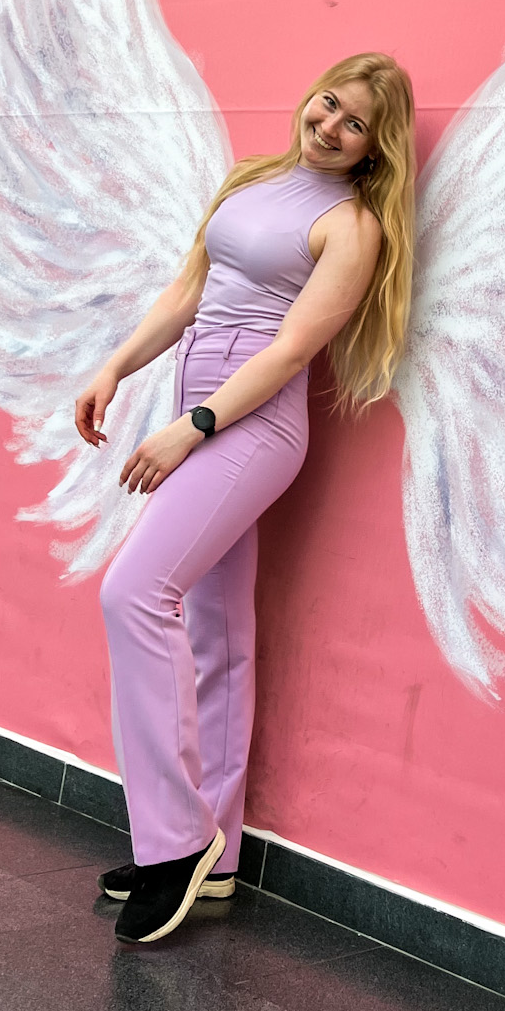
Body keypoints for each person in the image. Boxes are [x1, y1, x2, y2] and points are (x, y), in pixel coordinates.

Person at [74, 53, 416, 944]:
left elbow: (292, 349)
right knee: (216, 634)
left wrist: (195, 424)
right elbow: (191, 292)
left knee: (134, 592)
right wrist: (117, 364)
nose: (331, 126)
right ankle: (214, 856)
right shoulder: (253, 181)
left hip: (252, 424)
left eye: (355, 125)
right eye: (330, 104)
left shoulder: (352, 227)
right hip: (202, 398)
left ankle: (173, 843)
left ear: (376, 149)